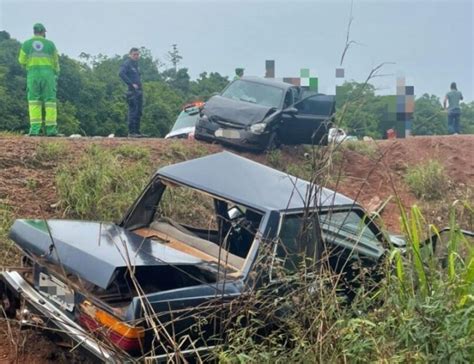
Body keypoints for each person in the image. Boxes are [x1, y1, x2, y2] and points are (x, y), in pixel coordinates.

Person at [18, 23, 60, 136]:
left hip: (33, 74)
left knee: (34, 102)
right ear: (43, 32)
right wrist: (56, 74)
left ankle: (34, 130)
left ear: (34, 31)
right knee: (50, 102)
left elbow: (21, 60)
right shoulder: (50, 44)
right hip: (48, 75)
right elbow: (56, 62)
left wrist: (30, 65)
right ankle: (51, 130)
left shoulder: (26, 44)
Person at [119, 48, 144, 137]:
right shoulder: (127, 64)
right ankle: (132, 132)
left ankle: (137, 131)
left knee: (139, 111)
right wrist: (131, 84)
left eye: (137, 54)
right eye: (134, 54)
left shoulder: (136, 65)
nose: (136, 56)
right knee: (133, 111)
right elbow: (121, 73)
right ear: (130, 55)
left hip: (139, 91)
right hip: (132, 91)